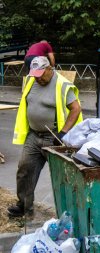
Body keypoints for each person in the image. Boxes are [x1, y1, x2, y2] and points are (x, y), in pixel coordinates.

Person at [8, 56, 83, 217]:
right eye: (35, 75)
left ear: (50, 69)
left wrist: (62, 133)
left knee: (62, 177)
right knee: (24, 170)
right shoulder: (31, 81)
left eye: (41, 74)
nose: (38, 78)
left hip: (54, 138)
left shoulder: (62, 84)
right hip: (34, 136)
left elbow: (76, 109)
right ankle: (24, 206)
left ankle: (69, 212)